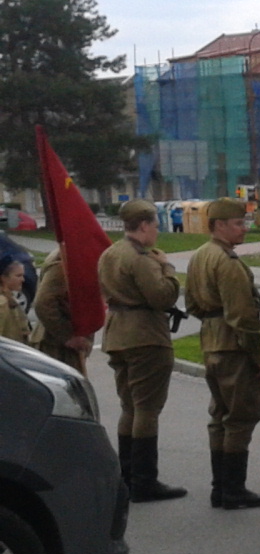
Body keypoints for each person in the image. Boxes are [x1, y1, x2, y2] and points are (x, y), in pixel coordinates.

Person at [185, 198, 260, 510]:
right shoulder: (228, 263)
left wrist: (212, 323)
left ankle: (220, 487)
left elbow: (192, 303)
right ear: (219, 225)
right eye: (238, 224)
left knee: (220, 416)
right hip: (233, 347)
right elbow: (244, 318)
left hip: (211, 342)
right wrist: (258, 357)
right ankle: (233, 489)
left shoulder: (200, 256)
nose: (244, 229)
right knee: (240, 417)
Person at [98, 199, 185, 502]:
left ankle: (127, 476)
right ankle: (145, 480)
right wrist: (168, 268)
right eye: (155, 226)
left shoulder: (110, 253)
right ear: (145, 225)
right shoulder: (143, 258)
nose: (157, 232)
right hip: (145, 336)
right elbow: (162, 296)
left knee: (129, 406)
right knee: (147, 408)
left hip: (117, 333)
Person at [29, 248, 92, 370]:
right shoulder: (63, 263)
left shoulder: (71, 256)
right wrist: (68, 336)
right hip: (56, 346)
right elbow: (44, 303)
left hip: (63, 344)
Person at [0, 254, 31, 343]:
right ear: (3, 278)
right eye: (18, 276)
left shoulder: (9, 297)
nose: (23, 280)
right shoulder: (2, 303)